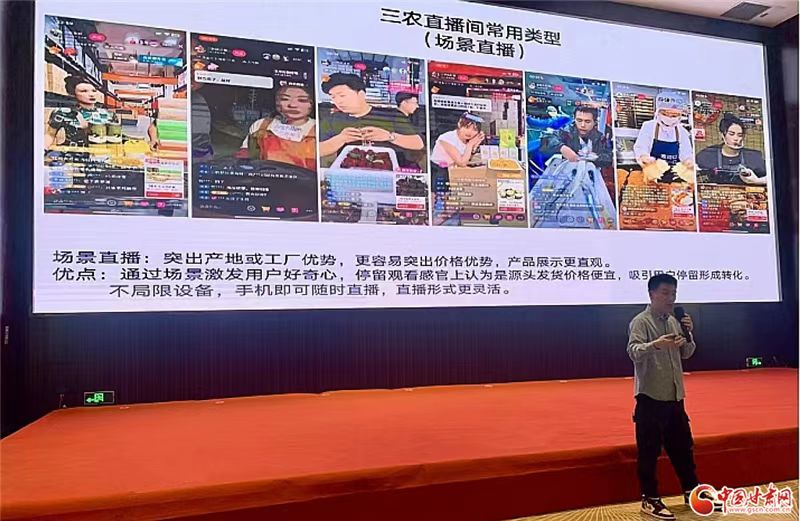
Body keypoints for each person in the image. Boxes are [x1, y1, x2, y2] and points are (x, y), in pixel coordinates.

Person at [628, 274, 721, 520]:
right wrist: (655, 345)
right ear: (652, 294)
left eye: (674, 293)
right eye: (665, 293)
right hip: (650, 397)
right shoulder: (641, 322)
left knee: (683, 450)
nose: (671, 298)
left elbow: (687, 353)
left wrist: (689, 333)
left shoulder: (674, 321)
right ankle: (649, 499)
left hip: (675, 397)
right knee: (649, 452)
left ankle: (692, 491)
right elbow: (633, 352)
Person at [318, 73, 424, 168]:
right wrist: (341, 139)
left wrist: (389, 136)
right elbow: (318, 150)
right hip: (351, 171)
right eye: (333, 97)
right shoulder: (332, 119)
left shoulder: (391, 115)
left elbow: (418, 143)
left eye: (342, 95)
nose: (338, 101)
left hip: (389, 171)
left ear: (361, 94)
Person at [237, 85, 316, 170]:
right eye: (285, 99)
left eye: (302, 100)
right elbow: (245, 156)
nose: (292, 105)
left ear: (311, 104)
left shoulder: (319, 129)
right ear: (277, 102)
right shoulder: (261, 125)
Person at [633, 92, 694, 183]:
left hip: (674, 177)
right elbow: (641, 147)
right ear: (658, 112)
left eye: (674, 115)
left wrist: (688, 161)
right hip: (652, 174)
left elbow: (686, 153)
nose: (669, 117)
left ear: (680, 115)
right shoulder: (649, 126)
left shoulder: (682, 131)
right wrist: (644, 157)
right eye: (665, 114)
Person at [45, 75, 116, 149]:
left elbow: (114, 138)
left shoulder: (108, 114)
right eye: (84, 91)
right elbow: (50, 134)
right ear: (73, 94)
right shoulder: (64, 112)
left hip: (99, 152)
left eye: (94, 91)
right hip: (73, 152)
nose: (91, 94)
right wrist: (43, 150)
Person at [696, 113, 767, 186]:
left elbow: (772, 175)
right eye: (731, 134)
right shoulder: (707, 154)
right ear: (723, 135)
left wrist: (757, 181)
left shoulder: (753, 157)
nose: (736, 138)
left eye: (739, 135)